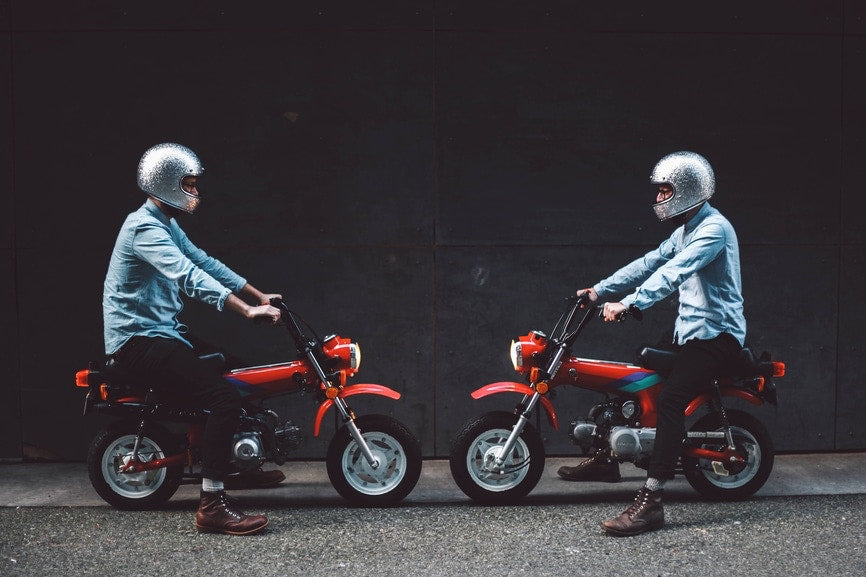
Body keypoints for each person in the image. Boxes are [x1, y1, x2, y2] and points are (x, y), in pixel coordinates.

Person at [558, 150, 746, 536]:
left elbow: (674, 272)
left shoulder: (714, 230)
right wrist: (598, 291)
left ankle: (652, 498)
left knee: (671, 399)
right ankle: (607, 457)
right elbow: (648, 263)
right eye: (659, 191)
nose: (659, 198)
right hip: (688, 332)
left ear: (688, 190)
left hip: (718, 336)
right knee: (634, 375)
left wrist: (630, 303)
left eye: (665, 191)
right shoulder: (684, 230)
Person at [103, 142, 286, 535]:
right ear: (166, 183)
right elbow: (188, 275)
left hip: (163, 332)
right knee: (222, 398)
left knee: (232, 369)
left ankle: (233, 467)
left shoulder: (165, 223)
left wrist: (258, 294)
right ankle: (212, 505)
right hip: (137, 342)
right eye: (189, 184)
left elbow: (204, 261)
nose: (196, 192)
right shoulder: (143, 230)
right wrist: (246, 310)